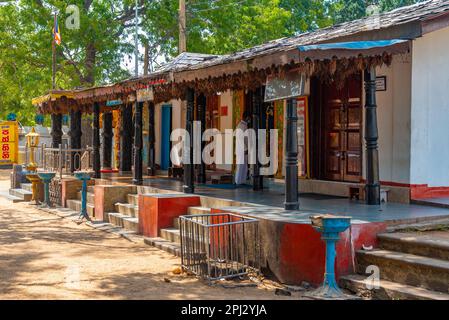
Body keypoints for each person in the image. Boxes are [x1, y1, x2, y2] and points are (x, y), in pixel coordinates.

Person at [234, 112, 251, 185]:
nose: (250, 119)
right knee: (240, 166)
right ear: (246, 117)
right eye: (249, 118)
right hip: (241, 150)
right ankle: (237, 181)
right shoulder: (241, 126)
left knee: (244, 166)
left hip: (244, 150)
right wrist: (245, 148)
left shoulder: (244, 125)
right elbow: (240, 139)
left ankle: (242, 181)